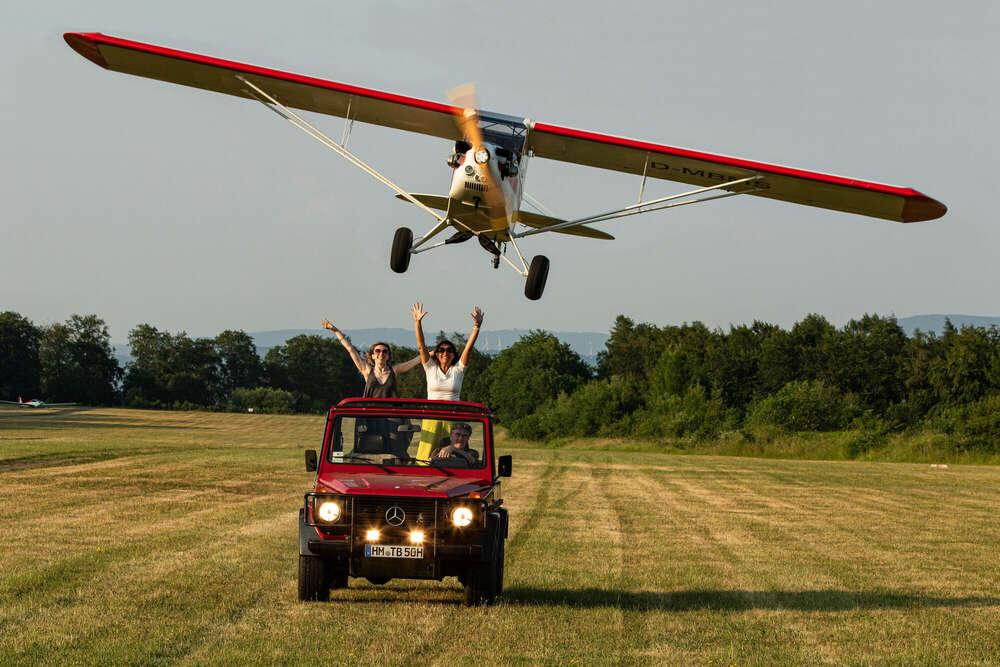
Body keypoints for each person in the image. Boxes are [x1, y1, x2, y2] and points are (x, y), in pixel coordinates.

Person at [321, 319, 421, 398]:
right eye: (377, 351)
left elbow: (415, 361)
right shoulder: (367, 370)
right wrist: (336, 331)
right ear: (372, 355)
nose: (381, 353)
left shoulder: (394, 370)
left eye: (384, 351)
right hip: (371, 415)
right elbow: (350, 349)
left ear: (388, 356)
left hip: (390, 416)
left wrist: (430, 353)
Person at [410, 303, 484, 401]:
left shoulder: (458, 369)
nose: (445, 353)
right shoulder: (430, 368)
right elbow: (421, 346)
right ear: (436, 354)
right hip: (432, 414)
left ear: (453, 354)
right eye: (441, 350)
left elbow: (468, 348)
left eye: (449, 350)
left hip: (452, 415)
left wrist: (477, 326)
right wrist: (417, 322)